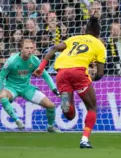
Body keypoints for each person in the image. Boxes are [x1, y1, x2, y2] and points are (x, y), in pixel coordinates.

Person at [35, 17, 106, 149]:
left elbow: (54, 48)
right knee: (92, 107)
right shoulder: (99, 45)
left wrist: (41, 67)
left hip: (61, 73)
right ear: (98, 34)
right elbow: (100, 73)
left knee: (70, 115)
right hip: (79, 72)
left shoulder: (74, 38)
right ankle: (84, 139)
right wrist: (92, 78)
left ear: (85, 30)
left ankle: (66, 105)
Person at [0, 39, 62, 133]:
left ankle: (50, 127)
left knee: (51, 106)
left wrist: (54, 89)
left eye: (31, 48)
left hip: (26, 88)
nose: (29, 50)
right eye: (27, 48)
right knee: (2, 96)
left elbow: (45, 75)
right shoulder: (11, 61)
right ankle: (17, 120)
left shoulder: (34, 60)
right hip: (11, 87)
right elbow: (1, 77)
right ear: (21, 49)